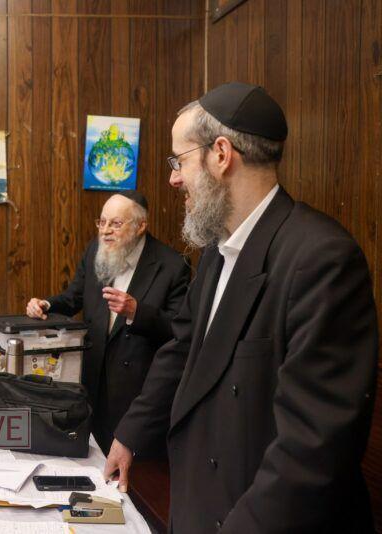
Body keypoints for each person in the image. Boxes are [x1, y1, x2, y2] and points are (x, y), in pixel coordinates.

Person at [105, 82, 378, 533]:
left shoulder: (322, 259)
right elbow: (182, 350)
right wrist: (131, 434)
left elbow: (311, 450)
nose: (173, 179)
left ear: (221, 154)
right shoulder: (217, 251)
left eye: (179, 161)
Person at [26, 191, 190, 454]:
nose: (105, 231)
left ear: (140, 226)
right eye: (102, 222)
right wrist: (47, 304)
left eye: (116, 223)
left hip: (135, 393)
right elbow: (74, 297)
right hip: (92, 381)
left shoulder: (173, 265)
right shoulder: (96, 250)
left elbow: (179, 330)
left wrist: (137, 311)